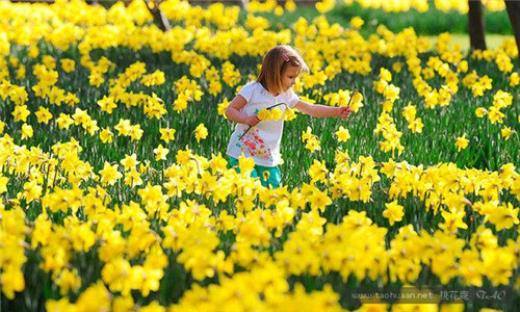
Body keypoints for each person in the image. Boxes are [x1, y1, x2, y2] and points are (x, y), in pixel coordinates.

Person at [225, 45, 351, 188]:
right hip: (241, 151)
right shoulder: (252, 90)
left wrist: (337, 111)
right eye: (290, 77)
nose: (294, 82)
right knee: (248, 187)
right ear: (274, 74)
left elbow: (311, 109)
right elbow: (230, 110)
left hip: (266, 155)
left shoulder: (286, 96)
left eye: (296, 77)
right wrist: (246, 120)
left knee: (274, 191)